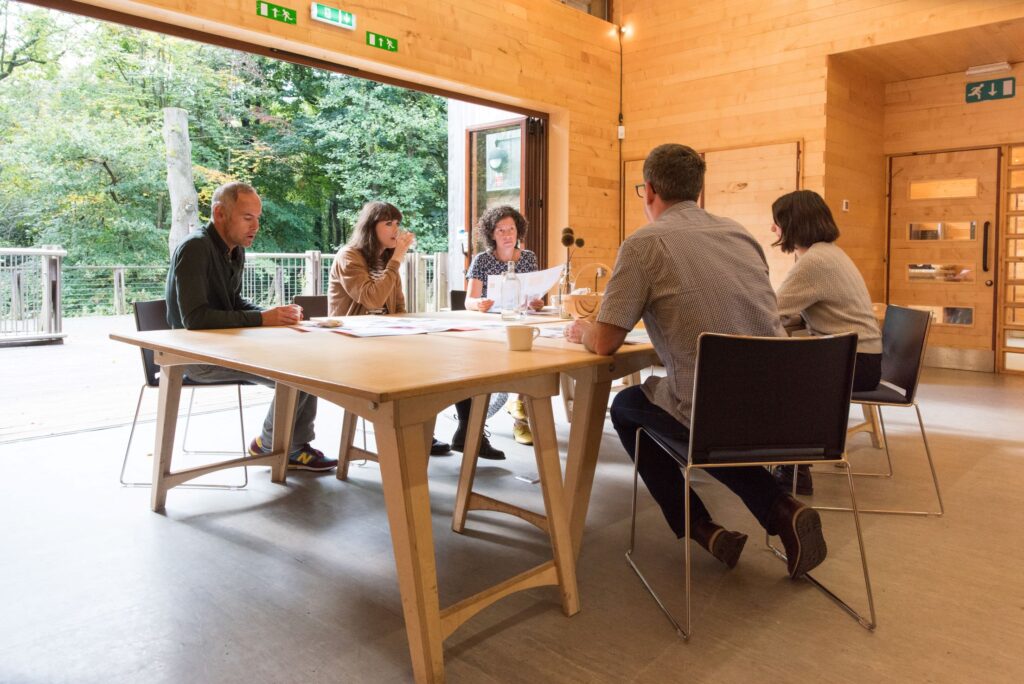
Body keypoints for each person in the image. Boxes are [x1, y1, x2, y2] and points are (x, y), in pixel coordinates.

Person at [564, 144, 826, 578]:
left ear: (648, 190)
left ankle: (700, 526)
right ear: (698, 192)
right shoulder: (740, 235)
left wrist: (581, 331)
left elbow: (607, 342)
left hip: (721, 416)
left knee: (628, 409)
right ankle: (781, 509)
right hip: (788, 410)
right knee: (708, 408)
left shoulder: (644, 244)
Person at [166, 181, 336, 472]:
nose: (255, 226)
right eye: (248, 217)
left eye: (258, 218)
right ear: (220, 213)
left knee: (309, 365)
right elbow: (195, 318)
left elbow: (232, 303)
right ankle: (277, 446)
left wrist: (274, 314)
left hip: (227, 349)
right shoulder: (195, 248)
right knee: (299, 372)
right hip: (195, 358)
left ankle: (284, 445)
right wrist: (262, 319)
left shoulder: (233, 251)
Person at [769, 189, 883, 495]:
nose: (773, 229)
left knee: (771, 373)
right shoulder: (829, 253)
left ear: (793, 223)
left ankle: (792, 466)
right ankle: (793, 462)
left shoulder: (814, 262)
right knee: (784, 366)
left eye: (777, 222)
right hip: (864, 358)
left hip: (853, 362)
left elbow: (771, 310)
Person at [326, 200, 452, 457]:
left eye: (397, 223)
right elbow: (371, 298)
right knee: (409, 367)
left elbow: (398, 305)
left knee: (438, 356)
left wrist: (413, 330)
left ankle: (422, 430)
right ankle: (412, 432)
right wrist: (396, 260)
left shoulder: (386, 259)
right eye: (388, 223)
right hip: (352, 341)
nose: (396, 229)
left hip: (385, 336)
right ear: (370, 228)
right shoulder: (349, 256)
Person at [464, 205, 544, 450]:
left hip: (521, 320)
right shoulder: (482, 260)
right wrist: (479, 303)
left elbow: (535, 297)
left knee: (535, 353)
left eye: (511, 229)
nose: (508, 234)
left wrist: (537, 303)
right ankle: (516, 413)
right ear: (492, 234)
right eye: (501, 230)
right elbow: (468, 301)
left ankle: (520, 412)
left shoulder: (528, 257)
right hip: (492, 324)